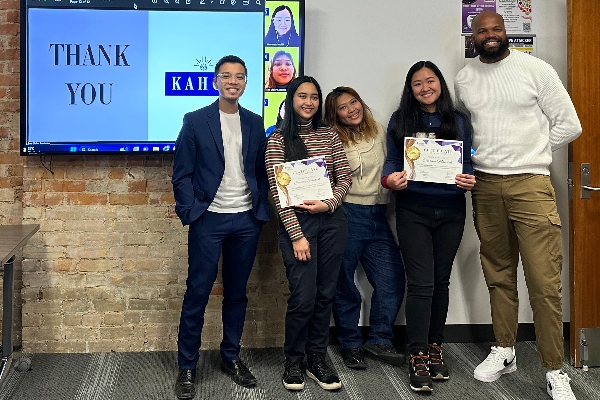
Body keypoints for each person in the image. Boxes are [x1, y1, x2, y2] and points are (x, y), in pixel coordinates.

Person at [454, 11, 582, 400]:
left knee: (544, 282)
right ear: (472, 37)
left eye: (496, 29)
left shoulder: (535, 68)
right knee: (498, 273)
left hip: (531, 184)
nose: (490, 35)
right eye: (482, 31)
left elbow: (569, 123)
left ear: (505, 32)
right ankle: (505, 350)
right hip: (486, 187)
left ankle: (554, 370)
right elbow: (469, 131)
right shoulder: (465, 78)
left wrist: (532, 152)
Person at [171, 55, 270, 399]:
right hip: (208, 219)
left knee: (237, 293)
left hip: (245, 219)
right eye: (226, 76)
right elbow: (181, 172)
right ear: (216, 81)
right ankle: (187, 365)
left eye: (239, 77)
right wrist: (190, 211)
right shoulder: (196, 121)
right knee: (197, 291)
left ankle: (230, 356)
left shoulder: (256, 123)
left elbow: (259, 171)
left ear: (246, 83)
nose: (233, 81)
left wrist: (260, 208)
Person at [383, 61, 475, 392]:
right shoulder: (401, 120)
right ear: (410, 89)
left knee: (440, 282)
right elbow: (392, 163)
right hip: (413, 210)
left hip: (451, 210)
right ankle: (417, 353)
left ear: (440, 84)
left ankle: (435, 347)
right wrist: (390, 179)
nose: (425, 88)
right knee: (421, 284)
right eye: (417, 83)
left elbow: (467, 163)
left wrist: (468, 179)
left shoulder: (459, 121)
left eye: (430, 81)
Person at [265, 76, 352, 392]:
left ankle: (317, 358)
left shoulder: (330, 136)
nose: (309, 102)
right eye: (302, 96)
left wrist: (328, 203)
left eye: (314, 97)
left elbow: (344, 178)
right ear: (290, 100)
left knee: (326, 293)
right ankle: (293, 359)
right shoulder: (277, 140)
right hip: (298, 227)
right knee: (304, 297)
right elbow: (278, 194)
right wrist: (297, 235)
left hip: (331, 222)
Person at [323, 87, 406, 370]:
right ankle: (350, 343)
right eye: (343, 108)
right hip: (348, 213)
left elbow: (395, 164)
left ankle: (380, 339)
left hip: (379, 214)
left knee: (391, 279)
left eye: (354, 102)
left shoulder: (380, 131)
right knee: (345, 282)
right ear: (335, 116)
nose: (351, 109)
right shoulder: (332, 138)